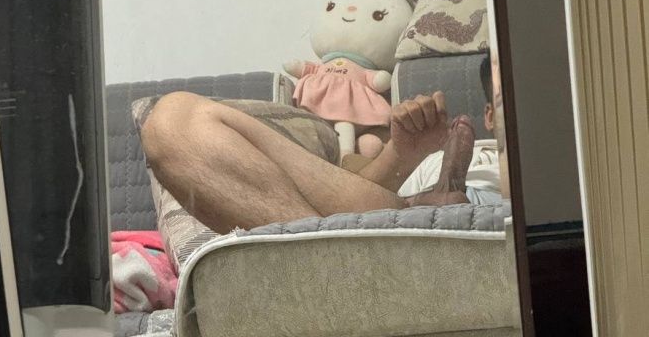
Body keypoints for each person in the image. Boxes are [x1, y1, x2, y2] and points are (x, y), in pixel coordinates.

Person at [141, 74, 485, 235]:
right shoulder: (439, 146)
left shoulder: (504, 161)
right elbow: (351, 210)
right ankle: (323, 254)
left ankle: (322, 257)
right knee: (173, 120)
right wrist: (400, 156)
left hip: (430, 229)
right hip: (381, 224)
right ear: (488, 113)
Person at [399, 53, 502, 207]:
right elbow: (386, 210)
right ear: (490, 117)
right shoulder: (433, 160)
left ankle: (441, 196)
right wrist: (397, 156)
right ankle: (439, 196)